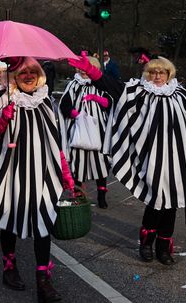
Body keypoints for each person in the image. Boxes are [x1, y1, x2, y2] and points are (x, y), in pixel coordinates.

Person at [69, 51, 186, 266]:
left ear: (169, 74)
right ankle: (146, 243)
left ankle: (164, 247)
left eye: (161, 72)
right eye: (153, 72)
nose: (157, 76)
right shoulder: (139, 92)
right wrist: (92, 72)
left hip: (179, 158)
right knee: (155, 201)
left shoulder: (181, 94)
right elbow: (114, 87)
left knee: (171, 204)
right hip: (151, 157)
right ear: (147, 74)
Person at [0, 57, 73, 302]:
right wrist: (1, 122)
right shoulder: (2, 98)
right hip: (10, 171)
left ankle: (43, 280)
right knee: (10, 221)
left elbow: (55, 139)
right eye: (23, 72)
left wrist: (66, 174)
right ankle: (9, 267)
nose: (28, 75)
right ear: (14, 75)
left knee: (43, 224)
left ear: (40, 74)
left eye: (33, 71)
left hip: (42, 172)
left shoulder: (46, 100)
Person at [59, 56, 112, 208]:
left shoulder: (101, 84)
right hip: (78, 129)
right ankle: (79, 195)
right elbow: (64, 105)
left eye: (86, 67)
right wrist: (76, 115)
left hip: (98, 128)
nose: (83, 70)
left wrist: (96, 98)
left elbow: (109, 102)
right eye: (80, 67)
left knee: (100, 163)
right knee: (78, 163)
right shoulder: (73, 85)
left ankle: (102, 195)